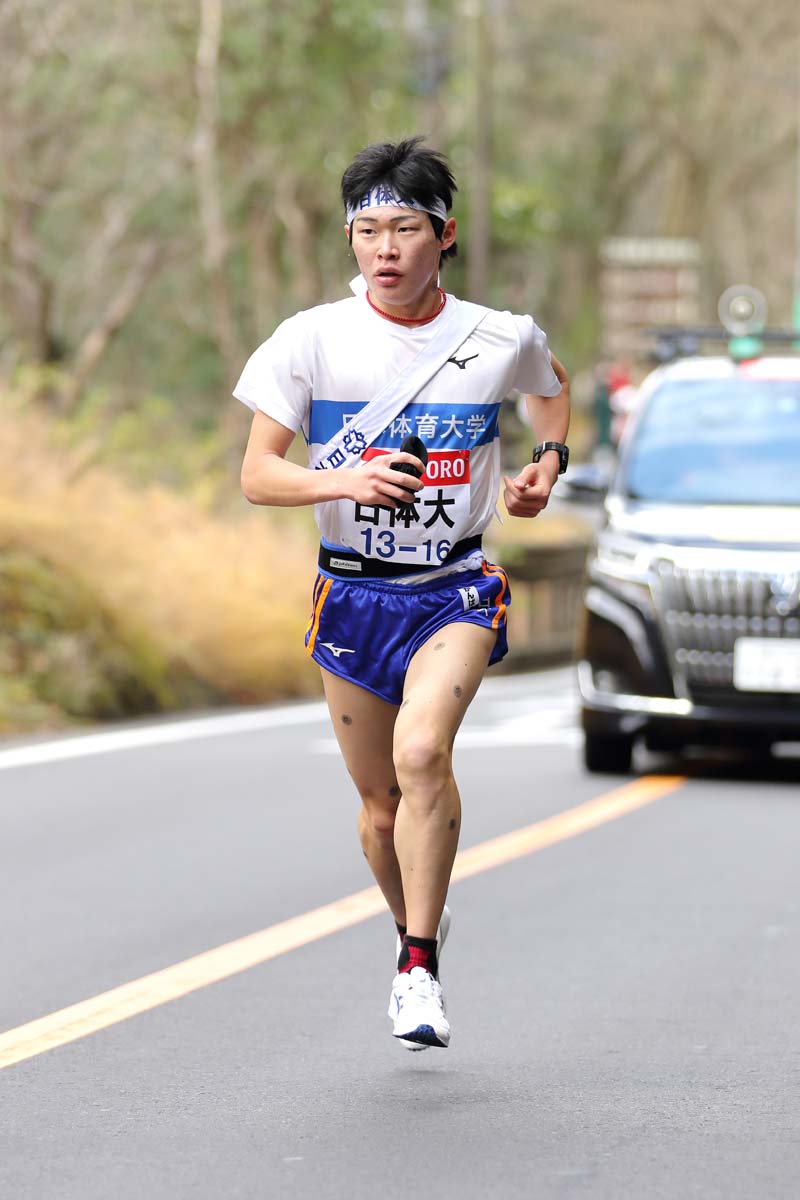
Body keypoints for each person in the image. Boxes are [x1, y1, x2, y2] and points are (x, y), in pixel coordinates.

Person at [234, 136, 569, 1051]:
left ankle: (417, 968)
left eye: (406, 229)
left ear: (444, 236)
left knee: (424, 753)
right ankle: (414, 924)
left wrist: (546, 466)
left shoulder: (498, 336)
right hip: (351, 593)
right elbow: (259, 476)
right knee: (380, 807)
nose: (386, 248)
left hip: (454, 585)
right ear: (350, 240)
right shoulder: (310, 340)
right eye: (368, 229)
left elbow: (551, 391)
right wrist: (343, 483)